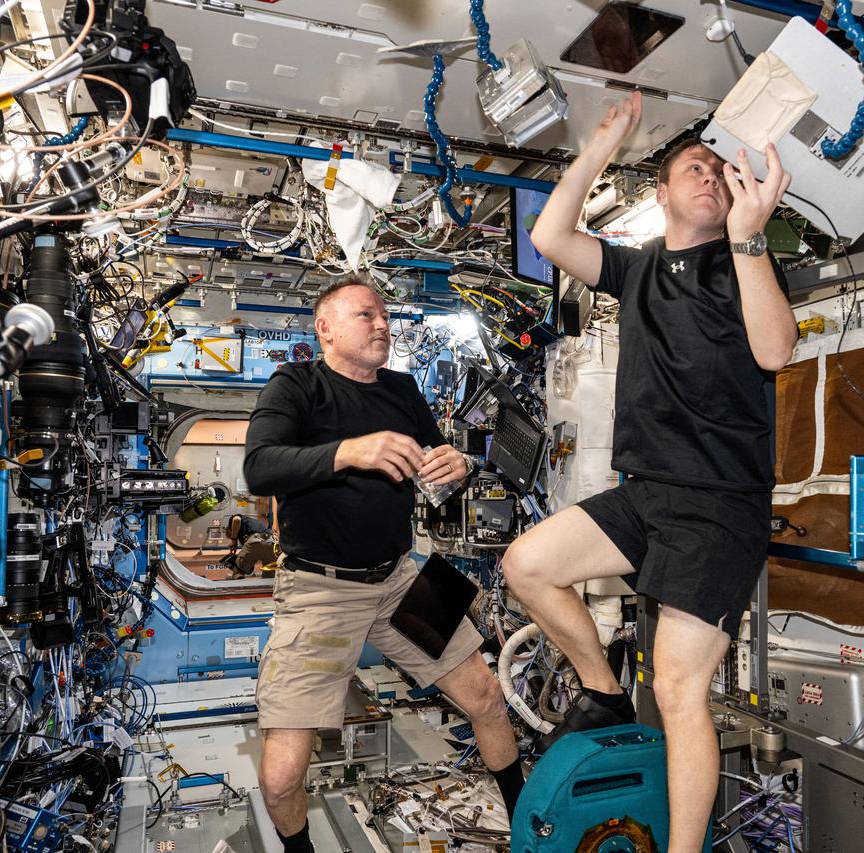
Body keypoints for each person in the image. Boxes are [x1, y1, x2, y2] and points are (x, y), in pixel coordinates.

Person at [502, 91, 796, 853]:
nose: (708, 175)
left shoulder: (746, 262)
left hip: (719, 503)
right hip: (646, 493)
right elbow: (549, 233)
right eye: (691, 168)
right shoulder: (635, 270)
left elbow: (775, 352)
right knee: (527, 563)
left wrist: (751, 237)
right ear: (660, 193)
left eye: (717, 170)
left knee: (675, 686)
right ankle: (601, 689)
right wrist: (600, 147)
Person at [244, 276, 524, 853]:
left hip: (400, 576)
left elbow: (437, 461)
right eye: (365, 314)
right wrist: (351, 450)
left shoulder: (402, 389)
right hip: (319, 589)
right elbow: (261, 468)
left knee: (488, 698)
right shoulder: (296, 385)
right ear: (325, 328)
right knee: (279, 776)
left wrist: (457, 465)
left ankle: (527, 826)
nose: (383, 324)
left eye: (385, 315)